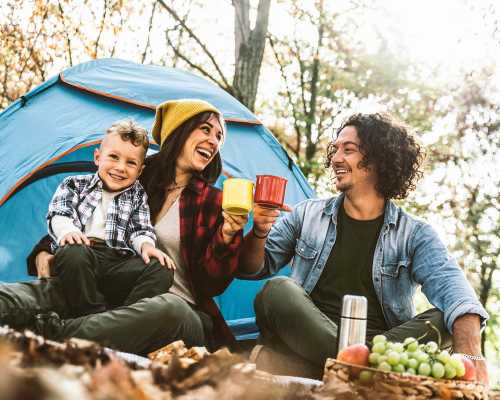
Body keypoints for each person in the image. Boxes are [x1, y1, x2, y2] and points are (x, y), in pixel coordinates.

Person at [239, 113, 489, 383]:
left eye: (348, 150)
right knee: (278, 290)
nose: (335, 159)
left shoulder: (415, 234)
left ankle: (336, 368)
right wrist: (260, 231)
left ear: (379, 159)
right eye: (335, 150)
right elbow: (251, 268)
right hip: (309, 336)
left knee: (447, 318)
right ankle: (362, 370)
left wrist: (472, 359)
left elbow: (457, 294)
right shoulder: (307, 214)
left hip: (383, 344)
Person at [0, 99, 247, 355]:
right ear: (179, 129)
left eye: (219, 136)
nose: (214, 141)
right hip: (98, 287)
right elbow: (82, 212)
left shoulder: (215, 202)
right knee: (15, 298)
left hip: (168, 307)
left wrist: (227, 236)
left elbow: (211, 286)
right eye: (205, 130)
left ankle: (49, 335)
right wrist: (44, 251)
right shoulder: (136, 171)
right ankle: (77, 327)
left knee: (170, 310)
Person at [46, 119, 174, 318]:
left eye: (131, 163)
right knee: (72, 253)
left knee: (161, 268)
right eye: (113, 157)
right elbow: (59, 214)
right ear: (97, 157)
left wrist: (147, 246)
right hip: (82, 254)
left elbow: (140, 229)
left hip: (117, 262)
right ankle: (93, 315)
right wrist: (68, 231)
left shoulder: (137, 195)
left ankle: (123, 320)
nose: (121, 167)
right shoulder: (74, 184)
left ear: (140, 171)